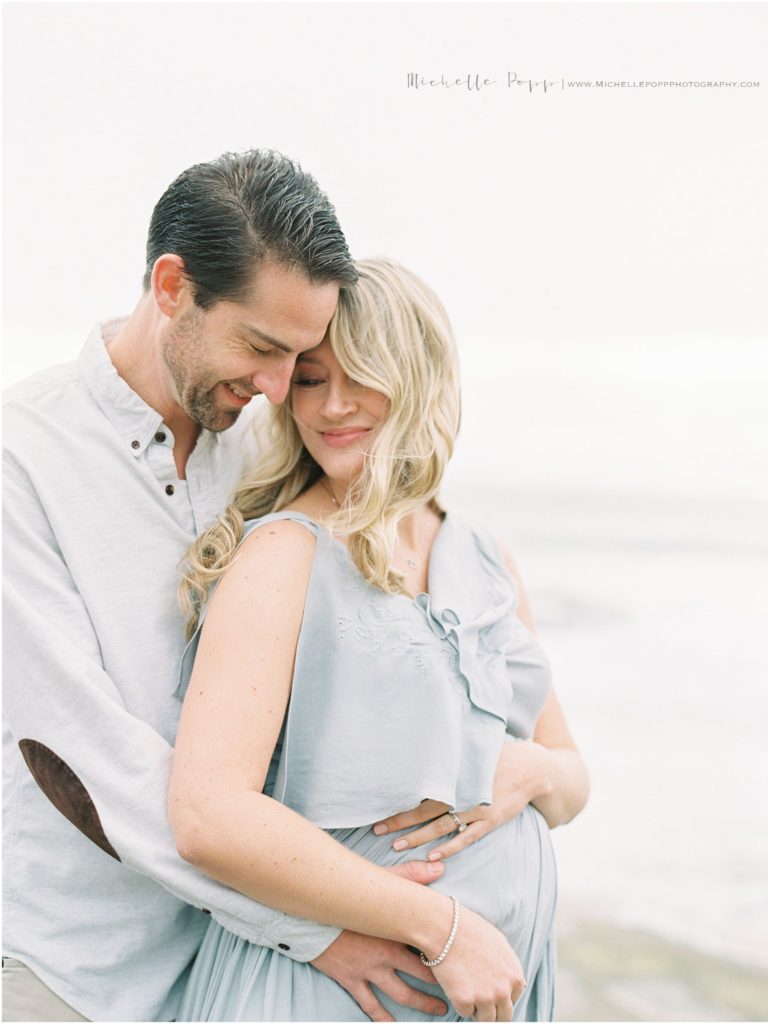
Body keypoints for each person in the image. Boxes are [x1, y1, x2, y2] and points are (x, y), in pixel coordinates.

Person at [3, 150, 462, 1024]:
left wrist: (521, 767)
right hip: (69, 975)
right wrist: (316, 925)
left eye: (301, 357)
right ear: (172, 286)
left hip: (231, 973)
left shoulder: (261, 448)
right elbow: (79, 760)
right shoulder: (21, 460)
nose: (280, 390)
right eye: (261, 347)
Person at [169, 258, 590, 1022]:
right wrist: (447, 928)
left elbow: (572, 780)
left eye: (362, 374)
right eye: (308, 379)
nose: (332, 406)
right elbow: (208, 814)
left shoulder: (484, 555)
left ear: (422, 376)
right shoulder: (285, 555)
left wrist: (527, 770)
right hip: (328, 996)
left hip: (489, 993)